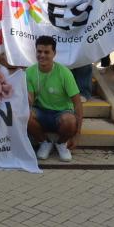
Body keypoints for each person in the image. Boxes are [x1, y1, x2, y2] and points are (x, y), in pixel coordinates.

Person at [46, 0, 95, 100]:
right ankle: (64, 90)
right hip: (64, 23)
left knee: (83, 57)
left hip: (84, 23)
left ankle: (83, 91)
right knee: (64, 57)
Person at [26, 35, 83, 163]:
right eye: (39, 51)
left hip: (62, 113)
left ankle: (61, 143)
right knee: (25, 113)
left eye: (47, 52)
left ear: (54, 53)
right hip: (41, 112)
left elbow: (78, 104)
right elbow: (30, 100)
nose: (42, 55)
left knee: (69, 121)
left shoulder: (64, 73)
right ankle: (44, 142)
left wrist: (78, 134)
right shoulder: (29, 72)